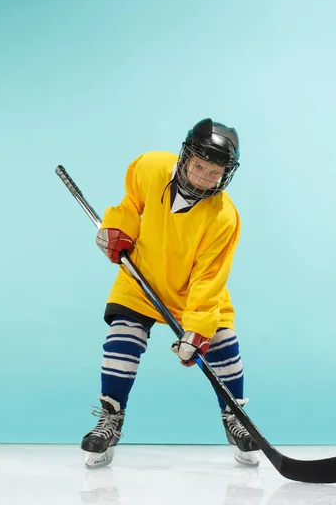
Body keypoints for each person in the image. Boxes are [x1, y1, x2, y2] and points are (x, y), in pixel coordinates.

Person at [81, 118, 260, 468]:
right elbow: (131, 204)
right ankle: (110, 420)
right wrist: (117, 229)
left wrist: (197, 329)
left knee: (224, 346)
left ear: (227, 174)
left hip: (195, 295)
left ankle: (236, 418)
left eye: (215, 171)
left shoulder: (224, 217)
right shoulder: (151, 168)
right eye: (199, 166)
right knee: (122, 338)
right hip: (142, 279)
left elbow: (209, 279)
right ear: (185, 157)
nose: (204, 177)